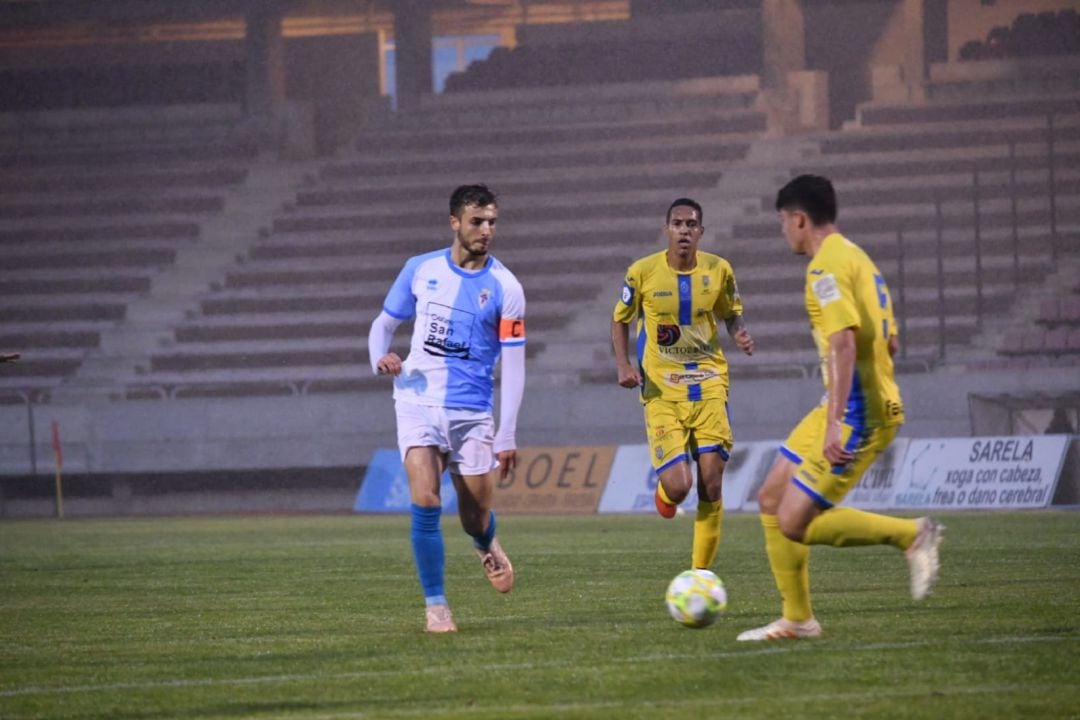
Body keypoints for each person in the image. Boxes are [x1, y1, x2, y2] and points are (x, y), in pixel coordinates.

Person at [737, 174, 943, 642]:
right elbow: (890, 339)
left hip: (856, 414)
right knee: (771, 496)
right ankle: (797, 620)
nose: (783, 232)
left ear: (800, 219)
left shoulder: (825, 268)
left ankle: (912, 535)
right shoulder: (857, 257)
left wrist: (837, 423)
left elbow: (844, 343)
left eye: (783, 222)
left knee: (793, 520)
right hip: (844, 401)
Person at [368, 184, 525, 634]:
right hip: (416, 399)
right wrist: (380, 357)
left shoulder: (507, 288)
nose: (487, 230)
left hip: (471, 411)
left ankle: (484, 541)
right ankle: (436, 606)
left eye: (493, 221)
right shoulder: (419, 269)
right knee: (426, 499)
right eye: (477, 221)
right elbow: (384, 325)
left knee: (474, 513)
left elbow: (513, 366)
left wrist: (508, 433)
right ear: (455, 222)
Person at [612, 198, 754, 573]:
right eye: (678, 223)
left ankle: (699, 575)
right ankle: (666, 494)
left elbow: (731, 314)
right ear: (667, 230)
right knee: (679, 487)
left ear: (701, 232)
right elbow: (620, 319)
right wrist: (624, 363)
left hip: (709, 384)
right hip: (661, 390)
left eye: (692, 224)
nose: (685, 230)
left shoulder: (720, 270)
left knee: (711, 483)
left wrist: (740, 334)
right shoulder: (642, 272)